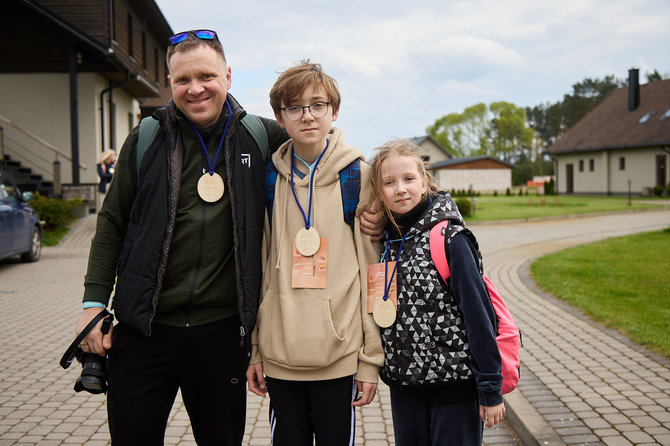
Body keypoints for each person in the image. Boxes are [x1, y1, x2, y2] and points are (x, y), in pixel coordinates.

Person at [75, 30, 383, 446]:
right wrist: (93, 304)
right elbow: (111, 222)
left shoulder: (259, 136)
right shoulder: (146, 138)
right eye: (182, 80)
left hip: (220, 335)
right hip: (143, 329)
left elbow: (320, 143)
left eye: (206, 75)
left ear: (229, 77)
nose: (195, 88)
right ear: (170, 83)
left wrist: (376, 202)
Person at [245, 61, 383, 446]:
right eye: (295, 107)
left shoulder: (359, 176)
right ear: (280, 117)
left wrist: (370, 362)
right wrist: (256, 350)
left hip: (339, 356)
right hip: (280, 355)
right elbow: (258, 270)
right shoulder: (269, 178)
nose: (307, 115)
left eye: (318, 105)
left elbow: (375, 274)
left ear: (334, 112)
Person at [368, 139, 505, 446]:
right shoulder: (385, 244)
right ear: (378, 192)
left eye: (408, 179)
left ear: (425, 180)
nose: (400, 189)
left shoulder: (450, 240)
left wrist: (490, 389)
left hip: (455, 390)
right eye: (389, 183)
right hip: (406, 391)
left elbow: (480, 318)